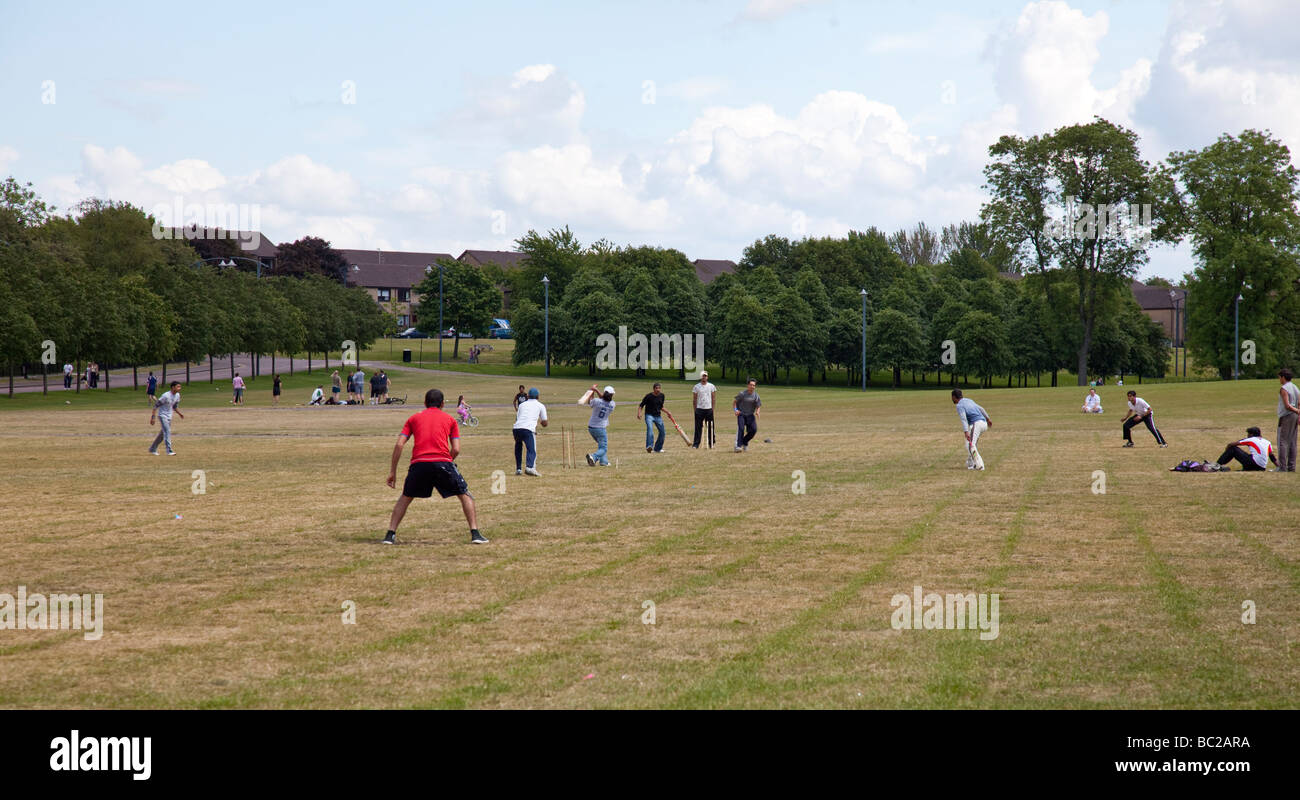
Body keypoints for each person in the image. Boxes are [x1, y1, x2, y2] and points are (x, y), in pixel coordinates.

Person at [384, 388, 486, 545]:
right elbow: (456, 448)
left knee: (405, 497)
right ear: (443, 404)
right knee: (465, 495)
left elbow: (399, 444)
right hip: (442, 462)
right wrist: (447, 461)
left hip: (419, 464)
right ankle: (475, 533)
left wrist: (393, 472)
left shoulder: (413, 418)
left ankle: (390, 534)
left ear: (425, 403)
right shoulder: (450, 420)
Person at [952, 388, 991, 470]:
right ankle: (971, 463)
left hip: (976, 424)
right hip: (983, 423)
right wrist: (988, 419)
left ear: (954, 397)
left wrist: (966, 431)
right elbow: (981, 409)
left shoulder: (959, 405)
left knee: (971, 445)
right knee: (969, 444)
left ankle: (980, 465)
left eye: (952, 397)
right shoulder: (969, 400)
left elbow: (963, 419)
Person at [512, 387, 548, 476]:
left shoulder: (522, 405)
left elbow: (518, 418)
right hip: (528, 429)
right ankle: (530, 467)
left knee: (518, 446)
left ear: (528, 396)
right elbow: (545, 423)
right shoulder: (540, 405)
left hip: (516, 428)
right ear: (538, 396)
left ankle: (518, 469)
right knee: (531, 450)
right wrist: (541, 422)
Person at [1213, 427, 1277, 471]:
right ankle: (1246, 469)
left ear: (1251, 434)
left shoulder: (1251, 439)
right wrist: (1279, 466)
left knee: (1233, 449)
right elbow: (1272, 457)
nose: (1247, 435)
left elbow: (1231, 444)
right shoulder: (1267, 442)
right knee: (1251, 456)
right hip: (1262, 468)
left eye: (1248, 434)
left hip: (1254, 464)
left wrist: (1226, 452)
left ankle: (1216, 465)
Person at [148, 381, 184, 455]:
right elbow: (155, 406)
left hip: (169, 416)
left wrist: (179, 414)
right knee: (167, 431)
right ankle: (169, 450)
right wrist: (153, 417)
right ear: (173, 387)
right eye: (178, 386)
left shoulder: (177, 395)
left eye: (180, 387)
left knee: (162, 434)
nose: (179, 388)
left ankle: (152, 448)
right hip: (162, 415)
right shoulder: (166, 396)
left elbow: (174, 406)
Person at [585, 384, 616, 467]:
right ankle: (593, 457)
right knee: (603, 448)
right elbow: (604, 398)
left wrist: (593, 391)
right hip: (601, 429)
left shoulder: (597, 401)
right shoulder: (612, 404)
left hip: (591, 428)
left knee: (601, 445)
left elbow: (590, 402)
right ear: (611, 395)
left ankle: (603, 461)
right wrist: (596, 390)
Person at [1276, 368, 1299, 472]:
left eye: (1279, 377)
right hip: (1295, 416)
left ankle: (1282, 467)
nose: (1279, 379)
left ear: (1283, 377)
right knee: (1293, 441)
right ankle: (1291, 467)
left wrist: (1297, 411)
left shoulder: (1284, 388)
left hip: (1286, 416)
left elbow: (1287, 405)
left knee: (1283, 441)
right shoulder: (1295, 387)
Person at [733, 378, 761, 452]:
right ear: (748, 385)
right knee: (741, 429)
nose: (752, 386)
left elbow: (758, 405)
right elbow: (734, 402)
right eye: (751, 385)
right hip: (741, 414)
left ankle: (744, 442)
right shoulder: (742, 394)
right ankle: (738, 447)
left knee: (753, 430)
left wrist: (758, 412)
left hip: (750, 415)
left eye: (754, 385)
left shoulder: (756, 396)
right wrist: (735, 410)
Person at [638, 382, 667, 453]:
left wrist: (667, 412)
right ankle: (649, 447)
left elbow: (661, 407)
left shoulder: (662, 396)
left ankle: (658, 448)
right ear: (653, 389)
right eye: (657, 388)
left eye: (659, 388)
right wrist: (639, 413)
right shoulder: (648, 396)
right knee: (650, 429)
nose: (658, 390)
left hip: (658, 416)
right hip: (649, 415)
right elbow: (641, 405)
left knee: (662, 432)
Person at [691, 371, 717, 448]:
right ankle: (696, 444)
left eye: (705, 376)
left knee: (710, 427)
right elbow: (694, 399)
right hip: (699, 409)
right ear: (701, 377)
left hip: (709, 409)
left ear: (707, 377)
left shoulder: (711, 386)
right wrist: (695, 410)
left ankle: (711, 443)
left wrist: (713, 409)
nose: (704, 377)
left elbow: (713, 398)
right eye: (703, 376)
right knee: (698, 427)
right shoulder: (696, 387)